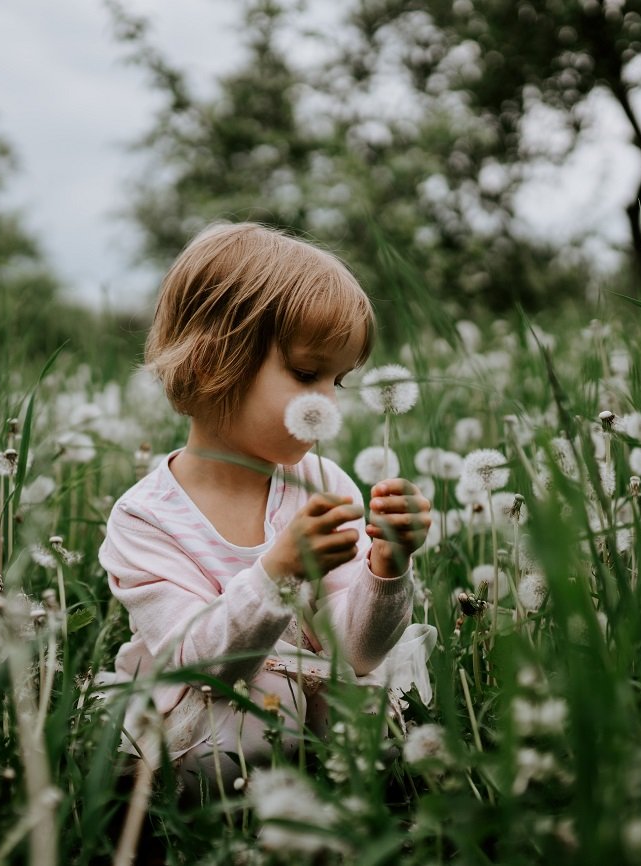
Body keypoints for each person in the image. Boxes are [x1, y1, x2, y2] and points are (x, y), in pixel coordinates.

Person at [97, 221, 436, 788]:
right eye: (306, 374)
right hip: (210, 709)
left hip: (318, 695)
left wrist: (388, 566)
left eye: (337, 382)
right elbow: (203, 666)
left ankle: (331, 781)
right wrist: (277, 576)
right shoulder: (146, 520)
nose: (328, 402)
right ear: (211, 363)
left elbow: (357, 654)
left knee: (379, 720)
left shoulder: (324, 485)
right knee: (248, 724)